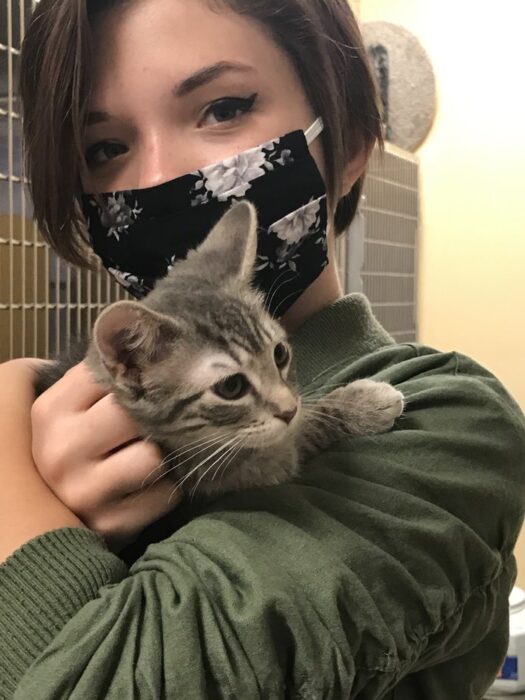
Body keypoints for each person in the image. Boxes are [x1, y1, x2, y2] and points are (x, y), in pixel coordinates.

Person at [0, 0, 524, 697]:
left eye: (222, 107)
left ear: (351, 140)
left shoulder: (451, 426)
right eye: (104, 148)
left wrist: (14, 500)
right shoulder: (75, 397)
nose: (157, 175)